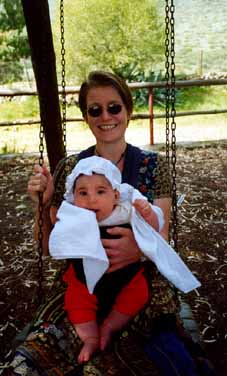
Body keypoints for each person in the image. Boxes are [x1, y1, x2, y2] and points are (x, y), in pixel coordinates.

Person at [3, 71, 215, 375]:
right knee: (32, 361)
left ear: (127, 111)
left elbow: (162, 235)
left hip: (139, 279)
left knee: (162, 354)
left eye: (114, 107)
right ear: (86, 117)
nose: (106, 116)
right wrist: (44, 204)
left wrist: (137, 250)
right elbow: (51, 246)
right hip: (82, 279)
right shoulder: (70, 169)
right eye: (95, 109)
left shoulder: (153, 167)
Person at [49, 155, 200, 364]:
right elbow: (55, 232)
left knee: (138, 293)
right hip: (84, 279)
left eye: (100, 192)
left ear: (116, 195)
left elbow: (156, 230)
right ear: (73, 197)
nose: (91, 199)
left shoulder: (126, 209)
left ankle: (110, 326)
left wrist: (148, 214)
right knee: (76, 301)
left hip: (127, 277)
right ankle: (90, 338)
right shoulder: (74, 213)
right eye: (82, 193)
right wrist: (46, 203)